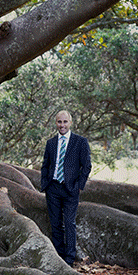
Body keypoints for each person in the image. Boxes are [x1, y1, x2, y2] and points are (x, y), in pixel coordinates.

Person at [38, 110, 91, 265]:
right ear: (56, 123)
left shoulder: (80, 142)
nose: (62, 125)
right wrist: (45, 184)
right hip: (53, 188)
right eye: (59, 122)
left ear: (70, 122)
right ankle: (59, 256)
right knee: (55, 224)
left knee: (69, 223)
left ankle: (69, 258)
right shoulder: (51, 143)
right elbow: (45, 165)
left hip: (70, 189)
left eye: (65, 122)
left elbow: (86, 166)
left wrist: (79, 186)